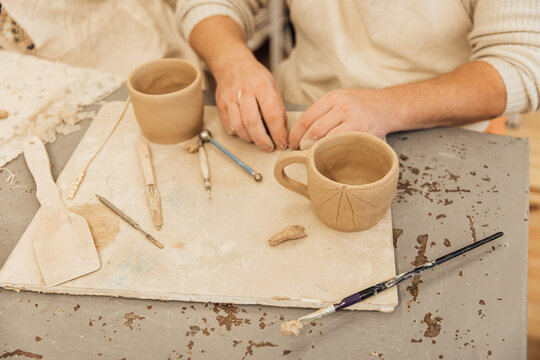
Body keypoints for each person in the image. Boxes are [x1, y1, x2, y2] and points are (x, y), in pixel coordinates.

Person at [177, 0, 540, 152]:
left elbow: (523, 61)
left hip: (440, 132)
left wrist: (387, 106)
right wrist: (231, 61)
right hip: (298, 116)